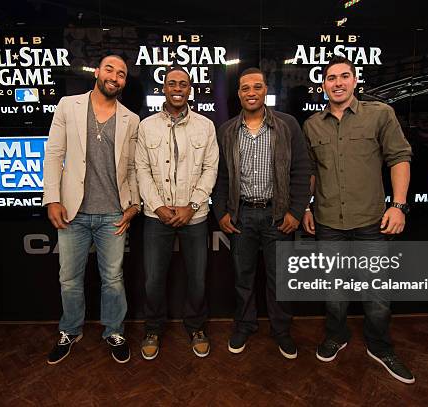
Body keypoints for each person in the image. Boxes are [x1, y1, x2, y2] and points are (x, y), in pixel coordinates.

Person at [302, 55, 415, 384]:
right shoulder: (312, 125)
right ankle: (337, 335)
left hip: (370, 221)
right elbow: (310, 173)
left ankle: (380, 347)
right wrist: (307, 207)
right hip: (327, 222)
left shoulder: (380, 115)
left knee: (377, 293)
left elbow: (399, 158)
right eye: (331, 77)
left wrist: (399, 205)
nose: (337, 82)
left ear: (354, 81)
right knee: (335, 291)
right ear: (323, 84)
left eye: (344, 76)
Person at [43, 54, 141, 365]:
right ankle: (70, 330)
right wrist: (52, 198)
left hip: (113, 212)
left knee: (112, 278)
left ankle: (114, 330)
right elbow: (53, 153)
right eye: (109, 69)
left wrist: (134, 204)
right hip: (73, 212)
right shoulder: (67, 106)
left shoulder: (131, 119)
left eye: (122, 73)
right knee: (69, 278)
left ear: (124, 81)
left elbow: (132, 168)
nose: (115, 76)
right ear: (97, 72)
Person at [212, 67, 311, 359]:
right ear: (238, 93)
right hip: (241, 216)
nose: (251, 92)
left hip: (277, 216)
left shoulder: (287, 124)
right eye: (245, 88)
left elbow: (302, 170)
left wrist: (295, 210)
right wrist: (221, 212)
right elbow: (222, 177)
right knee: (243, 277)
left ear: (265, 90)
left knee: (280, 278)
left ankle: (282, 330)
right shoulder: (228, 130)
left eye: (257, 87)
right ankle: (245, 325)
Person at [135, 67, 219, 360]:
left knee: (197, 277)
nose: (177, 88)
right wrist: (158, 206)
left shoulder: (205, 126)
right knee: (154, 279)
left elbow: (211, 169)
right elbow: (141, 170)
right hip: (155, 216)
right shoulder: (146, 127)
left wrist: (192, 206)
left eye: (183, 83)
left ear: (190, 88)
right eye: (172, 83)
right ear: (163, 88)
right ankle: (153, 330)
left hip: (193, 216)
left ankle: (196, 327)